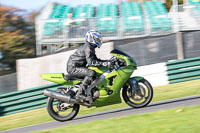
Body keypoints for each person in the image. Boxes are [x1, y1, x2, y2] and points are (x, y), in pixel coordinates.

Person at [67, 30, 110, 101]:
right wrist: (103, 63)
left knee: (94, 74)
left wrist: (107, 61)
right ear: (91, 38)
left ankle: (92, 92)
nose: (98, 40)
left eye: (98, 39)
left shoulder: (90, 47)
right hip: (73, 68)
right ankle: (80, 94)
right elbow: (91, 62)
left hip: (78, 66)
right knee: (91, 73)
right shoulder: (88, 48)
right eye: (96, 39)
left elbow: (95, 60)